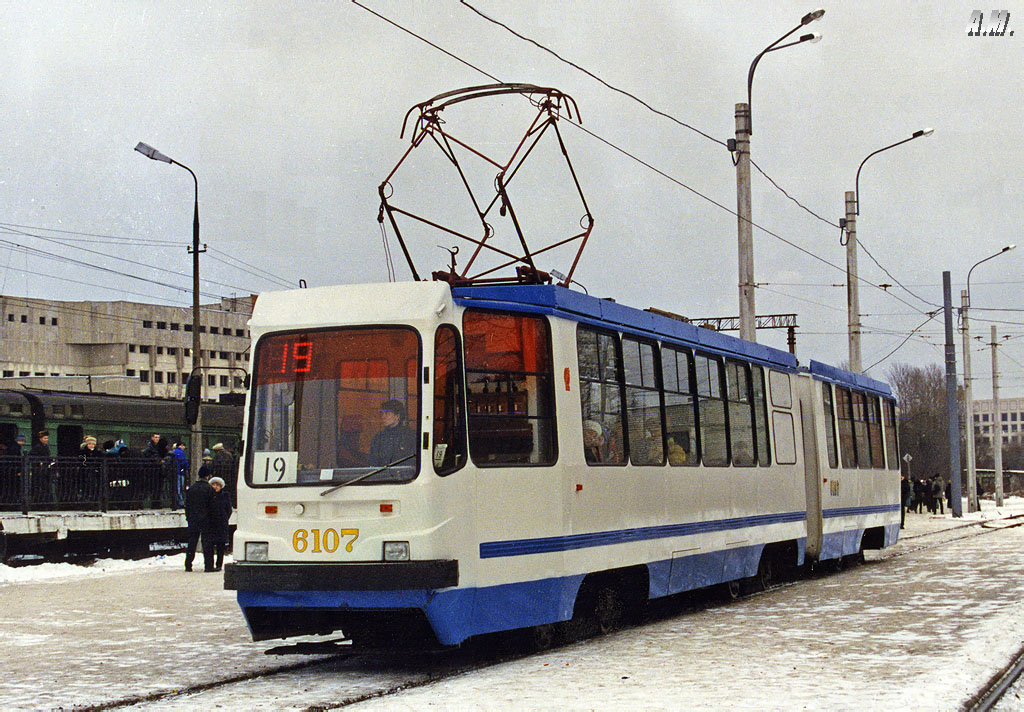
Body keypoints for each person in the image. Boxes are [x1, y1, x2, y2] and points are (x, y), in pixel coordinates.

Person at [183, 470, 216, 572]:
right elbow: (212, 506)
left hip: (193, 519)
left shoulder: (192, 489)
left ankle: (188, 564)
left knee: (192, 542)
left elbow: (187, 505)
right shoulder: (209, 489)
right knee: (207, 543)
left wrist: (188, 517)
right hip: (206, 520)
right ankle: (208, 566)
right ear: (207, 476)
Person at [368, 399, 415, 466]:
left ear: (397, 416)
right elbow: (373, 462)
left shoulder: (410, 436)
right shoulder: (378, 438)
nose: (383, 417)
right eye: (383, 413)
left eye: (387, 413)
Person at [208, 476, 232, 571]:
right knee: (210, 545)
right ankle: (210, 564)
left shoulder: (225, 496)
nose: (215, 487)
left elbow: (228, 509)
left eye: (217, 485)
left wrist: (224, 518)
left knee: (220, 546)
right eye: (213, 485)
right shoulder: (209, 496)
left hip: (221, 524)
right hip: (211, 524)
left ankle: (219, 564)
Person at [171, 441, 189, 509]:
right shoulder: (181, 453)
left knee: (175, 488)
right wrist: (184, 471)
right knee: (179, 488)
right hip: (180, 472)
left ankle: (175, 502)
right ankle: (181, 502)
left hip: (174, 472)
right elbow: (184, 463)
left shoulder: (173, 452)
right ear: (181, 446)